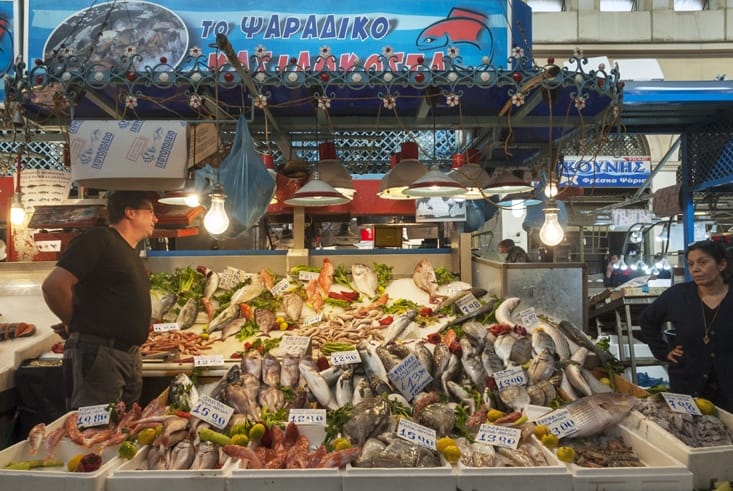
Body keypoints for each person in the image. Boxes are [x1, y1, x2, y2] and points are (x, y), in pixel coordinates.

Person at [42, 191, 157, 409]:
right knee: (93, 434)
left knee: (121, 433)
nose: (156, 218)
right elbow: (54, 286)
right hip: (101, 356)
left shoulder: (129, 252)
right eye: (150, 212)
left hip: (127, 357)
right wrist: (73, 322)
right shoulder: (99, 239)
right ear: (130, 212)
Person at [640, 240, 733, 412]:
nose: (695, 269)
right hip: (687, 384)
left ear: (721, 264)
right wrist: (663, 351)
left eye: (702, 262)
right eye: (691, 264)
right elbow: (647, 320)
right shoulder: (678, 296)